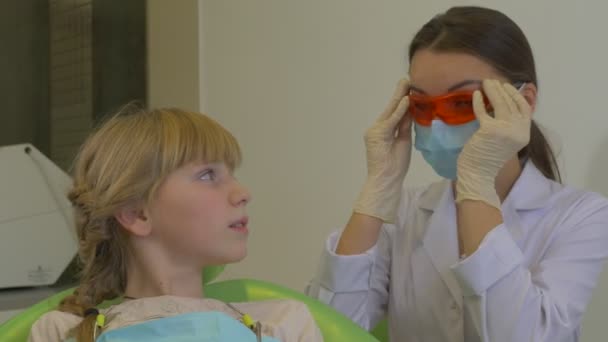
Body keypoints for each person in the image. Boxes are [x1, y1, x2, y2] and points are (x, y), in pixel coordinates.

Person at [307, 6, 608, 342]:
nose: (436, 125)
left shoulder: (581, 215)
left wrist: (476, 183)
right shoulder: (404, 212)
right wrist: (378, 188)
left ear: (524, 101)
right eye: (422, 106)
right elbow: (323, 331)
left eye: (463, 103)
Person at [29, 106, 322, 342]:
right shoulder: (61, 333)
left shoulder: (284, 324)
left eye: (232, 174)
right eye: (208, 175)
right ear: (137, 214)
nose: (243, 193)